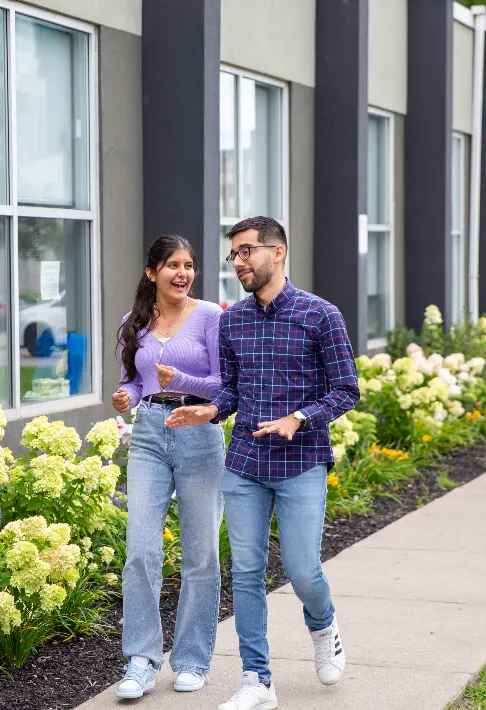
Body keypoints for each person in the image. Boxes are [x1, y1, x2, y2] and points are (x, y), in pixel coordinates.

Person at [165, 217, 360, 710]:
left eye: (247, 252)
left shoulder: (321, 316)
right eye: (234, 255)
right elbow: (231, 391)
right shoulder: (232, 321)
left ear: (279, 252)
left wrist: (299, 417)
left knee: (301, 568)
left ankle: (323, 626)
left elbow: (347, 391)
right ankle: (257, 680)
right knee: (247, 573)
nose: (239, 263)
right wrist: (210, 409)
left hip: (301, 461)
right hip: (245, 463)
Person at [112, 235, 226, 699]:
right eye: (173, 265)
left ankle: (193, 659)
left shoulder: (210, 317)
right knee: (140, 549)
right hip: (149, 435)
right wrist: (127, 397)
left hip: (199, 431)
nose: (183, 274)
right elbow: (133, 382)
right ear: (152, 272)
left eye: (189, 265)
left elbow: (222, 385)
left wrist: (177, 379)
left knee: (201, 553)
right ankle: (141, 659)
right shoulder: (134, 322)